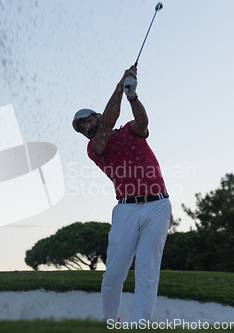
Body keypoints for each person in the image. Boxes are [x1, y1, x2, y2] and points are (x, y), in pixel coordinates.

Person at [72, 65, 172, 323]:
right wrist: (120, 85)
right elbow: (107, 123)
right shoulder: (95, 148)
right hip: (126, 209)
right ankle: (110, 321)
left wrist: (131, 94)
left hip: (158, 206)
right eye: (81, 127)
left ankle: (141, 324)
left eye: (86, 120)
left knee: (147, 271)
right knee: (113, 275)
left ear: (95, 114)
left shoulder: (130, 130)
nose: (85, 127)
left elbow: (143, 122)